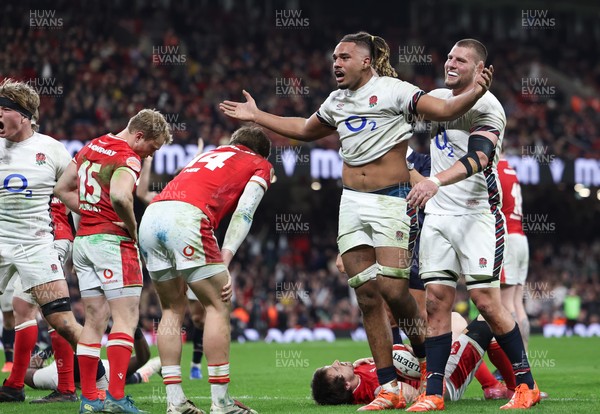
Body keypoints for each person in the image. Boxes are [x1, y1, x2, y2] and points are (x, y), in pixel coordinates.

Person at [220, 31, 492, 410]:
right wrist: (257, 116)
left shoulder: (395, 91)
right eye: (334, 57)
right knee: (367, 297)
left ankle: (425, 354)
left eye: (344, 57)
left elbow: (444, 110)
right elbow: (304, 129)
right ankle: (387, 387)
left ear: (365, 61)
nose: (336, 63)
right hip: (351, 203)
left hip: (390, 202)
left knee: (395, 291)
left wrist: (476, 92)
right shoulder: (337, 100)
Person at [406, 39, 540, 411]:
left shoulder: (490, 107)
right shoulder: (436, 98)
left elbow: (479, 156)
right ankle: (433, 392)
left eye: (461, 60)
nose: (451, 63)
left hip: (478, 215)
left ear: (480, 68)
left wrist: (434, 181)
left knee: (486, 301)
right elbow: (401, 116)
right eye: (449, 56)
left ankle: (525, 384)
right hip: (438, 216)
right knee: (435, 303)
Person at [138, 126, 272, 414]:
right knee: (217, 304)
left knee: (172, 309)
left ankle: (175, 402)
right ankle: (221, 403)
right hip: (187, 218)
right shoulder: (260, 163)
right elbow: (244, 212)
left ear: (234, 141)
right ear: (261, 152)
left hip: (152, 217)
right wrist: (225, 258)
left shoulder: (210, 153)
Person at [55, 108, 171, 413]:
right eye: (152, 148)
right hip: (113, 244)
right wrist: (133, 229)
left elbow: (61, 188)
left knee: (93, 322)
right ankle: (117, 398)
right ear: (139, 135)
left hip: (84, 244)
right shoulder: (127, 157)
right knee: (125, 318)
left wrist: (90, 213)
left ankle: (90, 400)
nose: (149, 155)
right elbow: (121, 197)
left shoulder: (91, 146)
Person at [0, 79, 84, 403]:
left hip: (53, 237)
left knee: (48, 313)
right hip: (23, 241)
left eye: (6, 109)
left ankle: (68, 386)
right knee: (24, 307)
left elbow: (76, 196)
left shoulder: (51, 152)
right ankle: (18, 383)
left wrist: (84, 238)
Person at [311, 313, 511, 405]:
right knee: (489, 319)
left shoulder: (358, 371)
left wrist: (406, 353)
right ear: (346, 385)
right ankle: (509, 387)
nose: (337, 362)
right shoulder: (375, 389)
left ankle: (492, 386)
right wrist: (415, 360)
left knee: (455, 320)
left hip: (435, 370)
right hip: (444, 382)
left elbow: (391, 357)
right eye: (335, 369)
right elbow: (412, 394)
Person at [135, 139, 207, 381]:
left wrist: (197, 154)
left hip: (194, 256)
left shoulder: (197, 195)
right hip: (173, 262)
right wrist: (148, 162)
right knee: (173, 311)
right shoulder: (164, 199)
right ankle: (170, 368)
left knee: (198, 317)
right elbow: (141, 193)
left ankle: (196, 363)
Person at [24, 327, 159, 392]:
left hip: (110, 371)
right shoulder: (53, 376)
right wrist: (135, 330)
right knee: (137, 374)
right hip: (110, 373)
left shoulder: (53, 377)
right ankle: (158, 364)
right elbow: (143, 357)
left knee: (138, 374)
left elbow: (26, 371)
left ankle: (158, 364)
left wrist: (52, 348)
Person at [497, 157, 530, 350]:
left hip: (508, 238)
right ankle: (524, 357)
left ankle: (514, 361)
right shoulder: (510, 169)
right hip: (521, 239)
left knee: (505, 304)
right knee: (518, 303)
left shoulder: (496, 170)